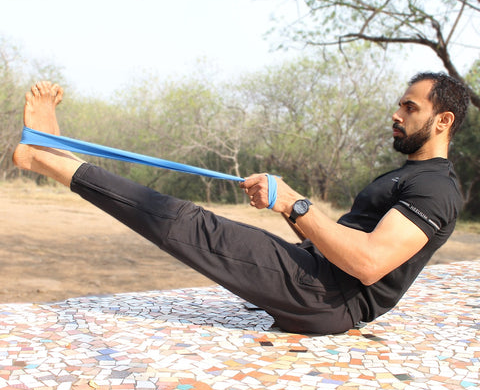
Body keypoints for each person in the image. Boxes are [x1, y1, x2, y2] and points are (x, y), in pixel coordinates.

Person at [12, 73, 471, 335]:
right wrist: (286, 207)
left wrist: (294, 203)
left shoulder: (437, 189)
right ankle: (54, 155)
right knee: (192, 224)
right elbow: (351, 240)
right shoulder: (412, 175)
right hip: (318, 279)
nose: (396, 114)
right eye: (400, 105)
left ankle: (46, 159)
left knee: (188, 223)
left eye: (410, 108)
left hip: (329, 297)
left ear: (443, 121)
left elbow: (369, 264)